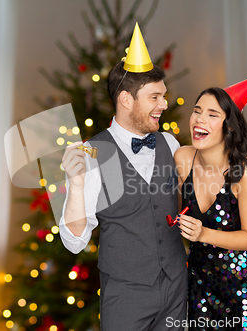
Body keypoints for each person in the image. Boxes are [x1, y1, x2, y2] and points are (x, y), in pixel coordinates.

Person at [59, 23, 187, 331]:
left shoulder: (170, 144)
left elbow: (192, 200)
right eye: (155, 97)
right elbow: (75, 242)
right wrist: (76, 186)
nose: (164, 105)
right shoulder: (92, 153)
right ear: (126, 100)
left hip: (176, 289)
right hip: (126, 296)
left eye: (164, 96)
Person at [174, 73, 247, 330]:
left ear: (229, 126)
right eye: (197, 110)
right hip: (201, 282)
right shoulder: (182, 159)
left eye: (212, 114)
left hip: (246, 287)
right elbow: (172, 211)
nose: (200, 118)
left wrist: (202, 233)